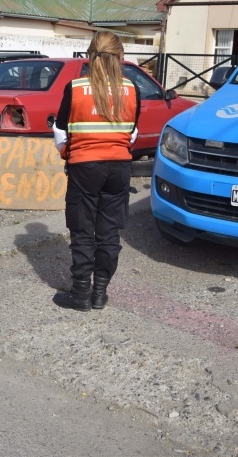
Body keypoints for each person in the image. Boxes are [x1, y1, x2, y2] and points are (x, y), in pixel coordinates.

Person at [51, 31, 141, 312]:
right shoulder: (132, 89)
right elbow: (133, 132)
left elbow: (61, 130)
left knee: (82, 230)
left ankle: (80, 294)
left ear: (90, 56)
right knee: (109, 232)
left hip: (84, 167)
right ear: (121, 57)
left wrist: (69, 153)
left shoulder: (75, 87)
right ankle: (100, 293)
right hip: (119, 168)